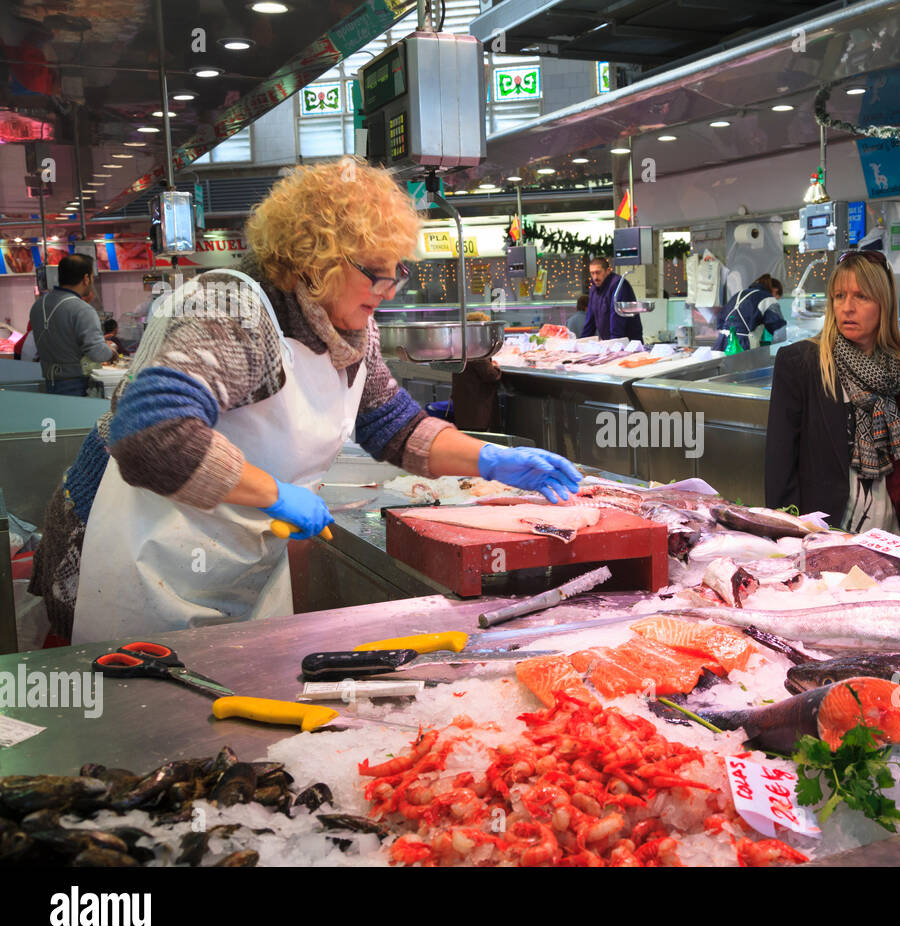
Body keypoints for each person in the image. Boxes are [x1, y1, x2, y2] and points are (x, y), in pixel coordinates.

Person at [28, 159, 583, 644]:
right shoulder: (231, 309)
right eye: (376, 273)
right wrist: (274, 494)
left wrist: (490, 459)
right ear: (316, 260)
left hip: (221, 553)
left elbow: (395, 426)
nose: (390, 289)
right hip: (130, 551)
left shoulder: (347, 330)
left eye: (397, 272)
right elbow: (151, 435)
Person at [766, 250, 900, 535]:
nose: (847, 307)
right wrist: (787, 537)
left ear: (884, 302)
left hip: (893, 530)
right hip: (824, 533)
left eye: (861, 297)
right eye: (838, 296)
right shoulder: (801, 362)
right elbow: (779, 468)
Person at [27, 253, 116, 395]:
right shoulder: (82, 309)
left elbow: (61, 339)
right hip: (76, 383)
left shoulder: (38, 305)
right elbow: (97, 353)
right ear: (86, 278)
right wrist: (111, 351)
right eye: (92, 277)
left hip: (50, 381)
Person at [452, 311, 503, 432]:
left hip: (464, 407)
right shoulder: (476, 348)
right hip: (476, 409)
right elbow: (491, 375)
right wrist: (495, 367)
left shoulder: (461, 345)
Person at [713, 274, 788, 351]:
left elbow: (720, 319)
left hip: (721, 343)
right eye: (777, 298)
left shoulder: (740, 294)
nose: (776, 300)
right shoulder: (768, 298)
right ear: (775, 290)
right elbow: (778, 328)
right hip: (743, 345)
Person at [581, 257, 640, 341]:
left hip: (628, 342)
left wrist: (613, 345)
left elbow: (617, 319)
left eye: (598, 272)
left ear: (608, 271)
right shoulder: (594, 289)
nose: (595, 277)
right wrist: (581, 343)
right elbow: (590, 321)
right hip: (609, 342)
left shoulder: (619, 285)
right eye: (592, 273)